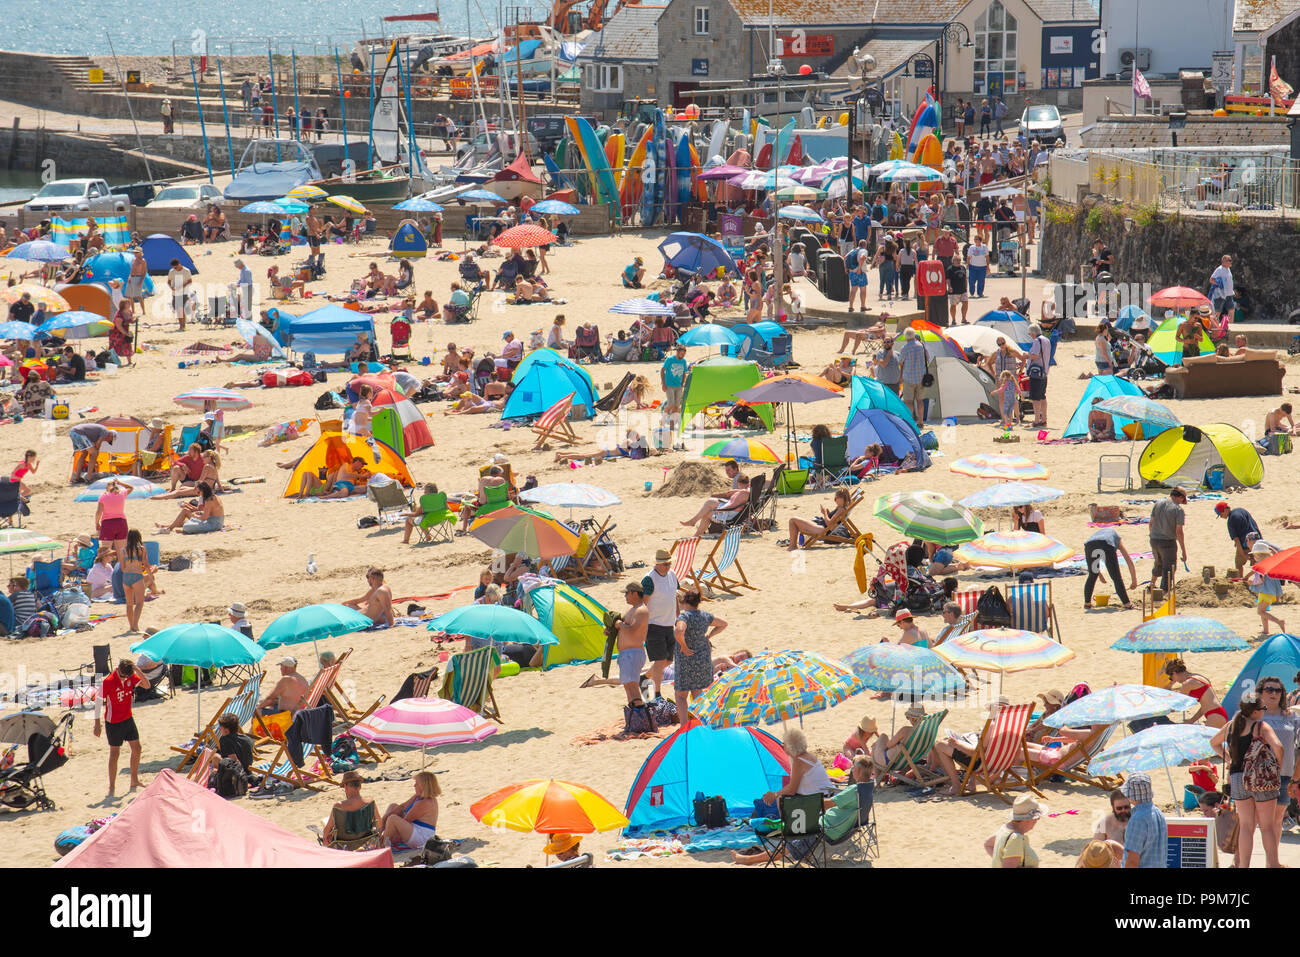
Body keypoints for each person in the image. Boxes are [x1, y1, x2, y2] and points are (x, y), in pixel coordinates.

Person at [730, 755, 873, 866]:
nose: (851, 770)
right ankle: (802, 850)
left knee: (790, 838)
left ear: (859, 771)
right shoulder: (867, 788)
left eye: (853, 767)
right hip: (840, 826)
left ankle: (746, 860)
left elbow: (827, 804)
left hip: (828, 828)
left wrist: (807, 801)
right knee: (795, 829)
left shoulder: (854, 790)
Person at [1212, 696, 1284, 869]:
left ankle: (1243, 865)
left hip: (1237, 777)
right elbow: (1279, 747)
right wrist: (1277, 768)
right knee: (1267, 826)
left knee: (1245, 826)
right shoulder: (1260, 726)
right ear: (1254, 711)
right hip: (1259, 777)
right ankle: (1273, 864)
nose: (1264, 711)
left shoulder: (1231, 725)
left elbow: (1214, 743)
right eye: (1262, 708)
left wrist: (1230, 760)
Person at [93, 658, 150, 798]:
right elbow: (98, 702)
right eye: (123, 676)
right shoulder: (109, 681)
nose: (125, 678)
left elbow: (147, 685)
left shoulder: (130, 675)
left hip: (128, 718)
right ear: (118, 670)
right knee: (115, 754)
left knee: (137, 748)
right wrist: (96, 723)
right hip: (113, 722)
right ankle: (111, 786)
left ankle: (134, 780)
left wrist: (137, 670)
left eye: (127, 676)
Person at [641, 549, 681, 700]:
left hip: (669, 624)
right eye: (665, 564)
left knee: (668, 661)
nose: (668, 566)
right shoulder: (649, 579)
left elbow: (674, 597)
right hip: (653, 625)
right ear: (657, 564)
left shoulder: (672, 575)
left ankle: (644, 678)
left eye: (669, 563)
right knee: (659, 661)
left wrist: (678, 618)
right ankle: (657, 694)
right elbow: (643, 603)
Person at [380, 770, 441, 848]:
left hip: (422, 837)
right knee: (393, 806)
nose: (414, 786)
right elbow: (402, 807)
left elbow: (406, 819)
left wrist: (386, 829)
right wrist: (383, 822)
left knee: (393, 819)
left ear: (423, 786)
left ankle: (383, 843)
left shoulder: (425, 803)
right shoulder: (417, 796)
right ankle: (384, 836)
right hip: (414, 829)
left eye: (417, 783)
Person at [1083, 526, 1137, 610]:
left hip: (1090, 546)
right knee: (1116, 577)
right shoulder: (1117, 539)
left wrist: (1098, 575)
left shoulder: (1100, 535)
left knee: (1092, 575)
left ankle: (1087, 603)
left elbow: (1094, 566)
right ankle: (1127, 604)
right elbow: (1128, 560)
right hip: (1106, 545)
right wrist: (1134, 580)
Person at [1163, 658, 1229, 727]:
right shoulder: (1197, 676)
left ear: (1174, 673)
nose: (1174, 681)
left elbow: (1178, 705)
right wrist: (1191, 721)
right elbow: (1204, 707)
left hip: (1214, 716)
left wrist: (1160, 710)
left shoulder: (1187, 684)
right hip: (1218, 714)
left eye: (1171, 678)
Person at [322, 770, 381, 846]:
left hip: (343, 843)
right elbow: (379, 824)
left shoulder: (338, 806)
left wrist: (325, 837)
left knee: (325, 825)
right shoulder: (370, 803)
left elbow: (327, 829)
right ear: (360, 786)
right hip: (365, 839)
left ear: (346, 786)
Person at [615, 581, 650, 706]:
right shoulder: (633, 609)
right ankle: (635, 716)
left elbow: (632, 630)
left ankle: (641, 716)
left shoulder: (641, 610)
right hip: (627, 654)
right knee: (628, 687)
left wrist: (620, 625)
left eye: (627, 593)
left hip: (632, 653)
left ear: (634, 593)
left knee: (633, 688)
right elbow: (625, 628)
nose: (625, 596)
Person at [984, 793, 1044, 867]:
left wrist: (1000, 861)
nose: (1036, 821)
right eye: (1037, 818)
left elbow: (988, 843)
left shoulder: (1005, 829)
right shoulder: (1016, 838)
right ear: (1028, 820)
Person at [680, 475, 750, 537]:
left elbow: (732, 506)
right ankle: (695, 529)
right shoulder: (745, 491)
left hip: (729, 515)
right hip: (732, 511)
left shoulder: (743, 493)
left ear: (740, 484)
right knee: (710, 502)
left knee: (707, 510)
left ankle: (695, 530)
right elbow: (737, 500)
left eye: (738, 485)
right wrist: (737, 491)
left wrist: (720, 510)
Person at [1149, 486, 1188, 593]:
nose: (1182, 502)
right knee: (1169, 568)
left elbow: (1151, 523)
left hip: (1154, 539)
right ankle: (1164, 592)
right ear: (1179, 497)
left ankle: (1151, 585)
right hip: (1168, 542)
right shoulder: (1178, 510)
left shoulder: (1158, 503)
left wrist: (1152, 536)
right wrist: (1184, 551)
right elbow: (1179, 532)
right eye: (1182, 499)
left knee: (1158, 563)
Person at [787, 487, 852, 551]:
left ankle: (792, 546)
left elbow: (829, 524)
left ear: (842, 498)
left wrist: (825, 513)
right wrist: (828, 513)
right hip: (823, 527)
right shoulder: (842, 508)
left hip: (823, 529)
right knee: (795, 521)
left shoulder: (841, 510)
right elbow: (834, 521)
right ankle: (793, 545)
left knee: (792, 520)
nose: (835, 500)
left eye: (836, 498)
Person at [156, 480, 224, 534]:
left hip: (214, 524)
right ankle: (169, 528)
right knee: (186, 514)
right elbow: (208, 512)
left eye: (198, 492)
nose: (198, 494)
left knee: (186, 526)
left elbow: (204, 518)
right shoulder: (213, 496)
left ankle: (170, 528)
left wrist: (194, 515)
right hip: (215, 521)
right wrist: (198, 513)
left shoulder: (209, 500)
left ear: (203, 490)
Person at [1248, 541, 1286, 636]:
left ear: (1259, 555)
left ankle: (1279, 621)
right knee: (1263, 610)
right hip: (1267, 591)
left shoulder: (1262, 566)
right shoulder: (1270, 562)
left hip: (1266, 591)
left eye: (1255, 555)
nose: (1254, 557)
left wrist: (1251, 582)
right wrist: (1272, 550)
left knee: (1260, 611)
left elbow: (1261, 579)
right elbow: (1277, 557)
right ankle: (1266, 630)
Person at [1215, 501, 1259, 578]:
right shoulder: (1241, 510)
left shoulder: (1231, 521)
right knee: (1259, 563)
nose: (1221, 517)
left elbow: (1237, 540)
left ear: (1225, 510)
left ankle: (1240, 581)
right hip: (1258, 539)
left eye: (1220, 514)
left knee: (1238, 564)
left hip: (1246, 544)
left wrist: (1243, 555)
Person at [1090, 788, 1131, 865]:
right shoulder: (1104, 823)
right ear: (1113, 807)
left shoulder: (1138, 821)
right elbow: (1095, 848)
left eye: (1126, 807)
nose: (1123, 810)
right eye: (1119, 808)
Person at [94, 477, 130, 561]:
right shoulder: (122, 493)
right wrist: (120, 483)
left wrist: (97, 523)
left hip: (108, 523)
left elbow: (99, 511)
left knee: (105, 551)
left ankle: (106, 571)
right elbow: (130, 488)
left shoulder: (103, 496)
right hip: (121, 522)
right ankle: (122, 571)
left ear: (107, 488)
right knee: (121, 551)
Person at [898, 328, 928, 425]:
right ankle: (920, 421)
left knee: (908, 401)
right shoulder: (921, 346)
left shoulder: (904, 348)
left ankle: (910, 422)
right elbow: (927, 358)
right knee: (920, 401)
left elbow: (901, 362)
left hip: (909, 378)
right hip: (921, 377)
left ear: (906, 337)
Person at [1025, 323, 1050, 428]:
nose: (1030, 336)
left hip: (1036, 373)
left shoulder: (1037, 341)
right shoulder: (1046, 340)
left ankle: (1036, 421)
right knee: (1042, 396)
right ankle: (1044, 419)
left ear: (1033, 333)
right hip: (1044, 372)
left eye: (1030, 334)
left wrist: (1027, 355)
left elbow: (1034, 356)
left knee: (1036, 399)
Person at [661, 343, 688, 420]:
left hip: (678, 386)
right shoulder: (670, 359)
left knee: (676, 406)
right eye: (681, 353)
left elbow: (684, 373)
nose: (682, 355)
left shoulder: (683, 361)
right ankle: (663, 419)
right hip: (669, 385)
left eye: (684, 354)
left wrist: (683, 382)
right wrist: (663, 384)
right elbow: (662, 371)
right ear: (677, 352)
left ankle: (672, 422)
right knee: (670, 404)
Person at [1210, 254, 1235, 319]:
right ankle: (1215, 326)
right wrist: (1220, 285)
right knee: (1218, 311)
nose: (1231, 262)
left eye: (1231, 260)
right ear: (1223, 261)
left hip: (1229, 294)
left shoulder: (1228, 269)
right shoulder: (1219, 269)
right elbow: (1211, 280)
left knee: (1231, 309)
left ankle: (1230, 325)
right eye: (1229, 260)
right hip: (1221, 294)